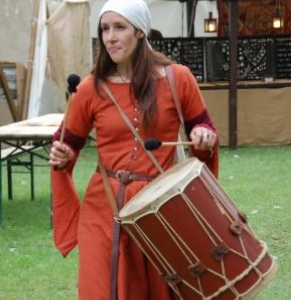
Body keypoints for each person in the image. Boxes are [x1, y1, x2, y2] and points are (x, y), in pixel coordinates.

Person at [49, 0, 219, 299]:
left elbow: (203, 130)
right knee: (101, 289)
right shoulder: (90, 88)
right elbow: (66, 144)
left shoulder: (177, 78)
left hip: (160, 208)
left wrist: (203, 136)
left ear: (140, 31)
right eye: (104, 29)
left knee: (163, 290)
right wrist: (62, 155)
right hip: (105, 210)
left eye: (119, 28)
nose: (110, 37)